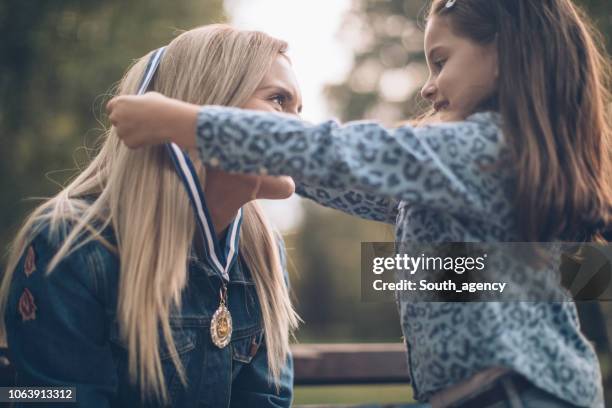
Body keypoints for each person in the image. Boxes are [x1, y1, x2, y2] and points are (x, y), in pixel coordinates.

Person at [106, 0, 612, 407]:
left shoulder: (484, 150)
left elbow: (342, 155)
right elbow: (342, 174)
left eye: (441, 61)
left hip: (521, 395)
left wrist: (187, 124)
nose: (427, 85)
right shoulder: (459, 170)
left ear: (507, 54)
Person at [0, 24, 301, 407]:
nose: (298, 128)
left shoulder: (262, 250)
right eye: (278, 100)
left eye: (297, 109)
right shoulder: (68, 244)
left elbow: (265, 400)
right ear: (208, 104)